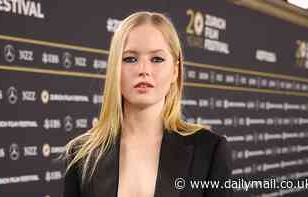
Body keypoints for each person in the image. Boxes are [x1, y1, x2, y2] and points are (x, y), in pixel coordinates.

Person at [63, 11, 232, 197]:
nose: (143, 70)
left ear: (175, 71)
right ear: (115, 68)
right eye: (130, 59)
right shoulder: (80, 154)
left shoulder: (209, 150)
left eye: (157, 59)